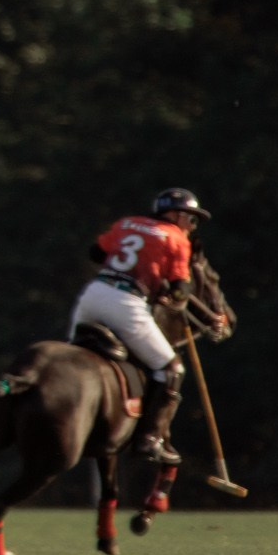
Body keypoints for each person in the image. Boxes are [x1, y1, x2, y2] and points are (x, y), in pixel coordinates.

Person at [69, 187, 209, 465]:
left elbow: (96, 252)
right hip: (127, 303)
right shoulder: (178, 239)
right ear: (177, 215)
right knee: (171, 370)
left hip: (92, 297)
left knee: (75, 357)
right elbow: (181, 289)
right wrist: (174, 296)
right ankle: (150, 439)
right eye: (191, 219)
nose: (192, 227)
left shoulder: (125, 224)